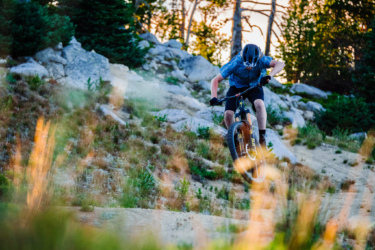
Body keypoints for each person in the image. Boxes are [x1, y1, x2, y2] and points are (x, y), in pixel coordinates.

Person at [209, 44, 285, 148]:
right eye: (246, 65)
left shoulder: (262, 59)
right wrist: (214, 97)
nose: (249, 67)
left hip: (255, 86)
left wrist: (269, 76)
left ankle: (262, 137)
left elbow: (280, 63)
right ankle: (233, 137)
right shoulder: (236, 63)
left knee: (259, 104)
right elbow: (215, 80)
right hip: (236, 87)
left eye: (251, 65)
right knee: (228, 114)